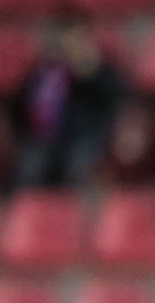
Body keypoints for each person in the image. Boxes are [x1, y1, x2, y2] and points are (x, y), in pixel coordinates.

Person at [10, 9, 121, 188]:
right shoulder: (44, 70)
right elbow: (22, 106)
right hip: (45, 138)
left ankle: (73, 214)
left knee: (77, 164)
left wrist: (89, 72)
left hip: (85, 137)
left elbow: (116, 101)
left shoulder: (100, 69)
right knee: (30, 163)